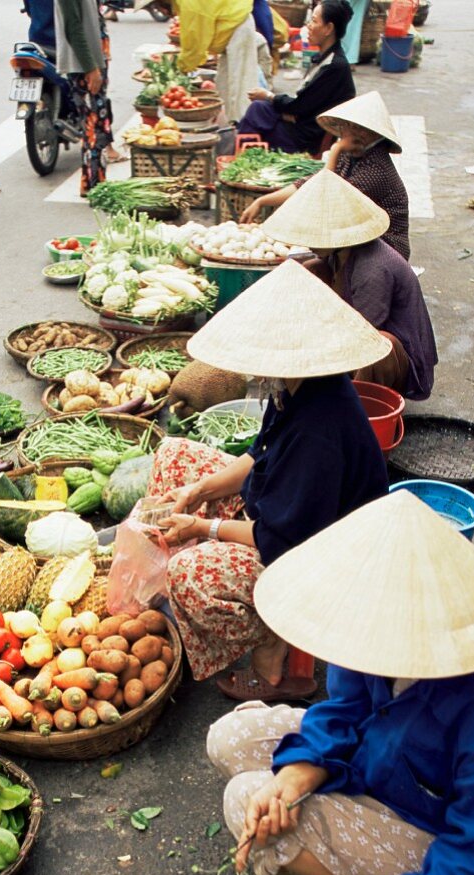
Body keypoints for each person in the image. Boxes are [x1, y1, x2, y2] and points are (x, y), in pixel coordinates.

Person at [207, 490, 474, 875]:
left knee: (242, 801)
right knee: (230, 739)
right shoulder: (367, 628)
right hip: (375, 763)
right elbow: (344, 711)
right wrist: (296, 779)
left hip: (428, 831)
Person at [146, 257, 389, 700]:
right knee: (173, 454)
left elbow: (282, 537)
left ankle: (272, 647)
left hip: (322, 558)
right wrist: (196, 490)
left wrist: (204, 527)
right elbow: (258, 457)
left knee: (189, 574)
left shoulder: (320, 430)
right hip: (288, 517)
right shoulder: (296, 387)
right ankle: (207, 560)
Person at [262, 169, 437, 398]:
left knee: (380, 346)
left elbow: (361, 336)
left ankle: (357, 403)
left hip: (403, 363)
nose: (307, 243)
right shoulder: (341, 252)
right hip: (358, 330)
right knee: (310, 270)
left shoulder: (373, 268)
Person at [242, 90, 411, 262]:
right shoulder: (353, 152)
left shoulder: (376, 169)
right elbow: (311, 183)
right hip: (355, 241)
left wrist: (336, 150)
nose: (343, 132)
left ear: (367, 133)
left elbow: (326, 197)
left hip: (383, 250)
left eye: (349, 128)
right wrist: (263, 201)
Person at [237, 0, 355, 155]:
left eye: (313, 21)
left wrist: (269, 96)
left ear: (328, 28)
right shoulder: (326, 59)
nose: (308, 26)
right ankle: (243, 154)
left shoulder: (334, 67)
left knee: (256, 113)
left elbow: (299, 107)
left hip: (304, 138)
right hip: (300, 123)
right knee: (259, 109)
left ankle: (243, 159)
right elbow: (304, 103)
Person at [134, 0, 260, 123]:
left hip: (238, 26)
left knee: (241, 85)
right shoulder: (184, 5)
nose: (160, 10)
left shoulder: (190, 6)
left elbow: (195, 45)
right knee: (224, 83)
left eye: (157, 6)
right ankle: (228, 123)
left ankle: (244, 126)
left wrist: (181, 68)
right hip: (231, 28)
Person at [54, 0, 114, 196]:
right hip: (84, 66)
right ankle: (94, 184)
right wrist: (90, 67)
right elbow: (73, 25)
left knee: (97, 122)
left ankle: (93, 181)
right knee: (93, 124)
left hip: (95, 59)